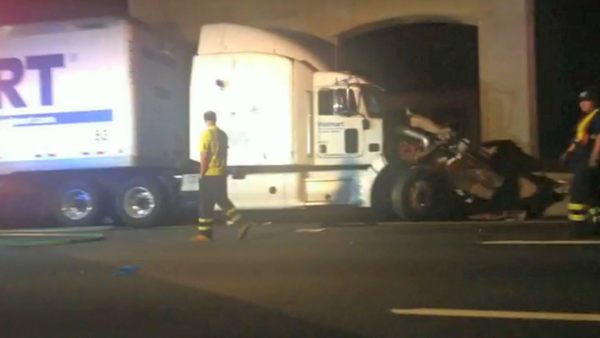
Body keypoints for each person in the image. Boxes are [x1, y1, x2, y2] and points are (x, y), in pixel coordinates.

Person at [197, 111, 250, 240]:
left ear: (205, 120)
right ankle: (207, 233)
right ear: (215, 119)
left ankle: (239, 224)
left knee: (207, 204)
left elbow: (205, 157)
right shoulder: (222, 135)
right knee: (218, 201)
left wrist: (201, 174)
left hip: (210, 174)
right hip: (221, 173)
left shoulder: (206, 134)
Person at [561, 87, 600, 229]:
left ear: (594, 102)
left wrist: (593, 158)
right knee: (593, 193)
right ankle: (595, 222)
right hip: (582, 159)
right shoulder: (585, 118)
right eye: (581, 101)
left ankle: (578, 225)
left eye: (586, 101)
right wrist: (568, 152)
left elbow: (599, 138)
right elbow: (579, 139)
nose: (583, 104)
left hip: (587, 160)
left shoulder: (597, 116)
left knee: (578, 192)